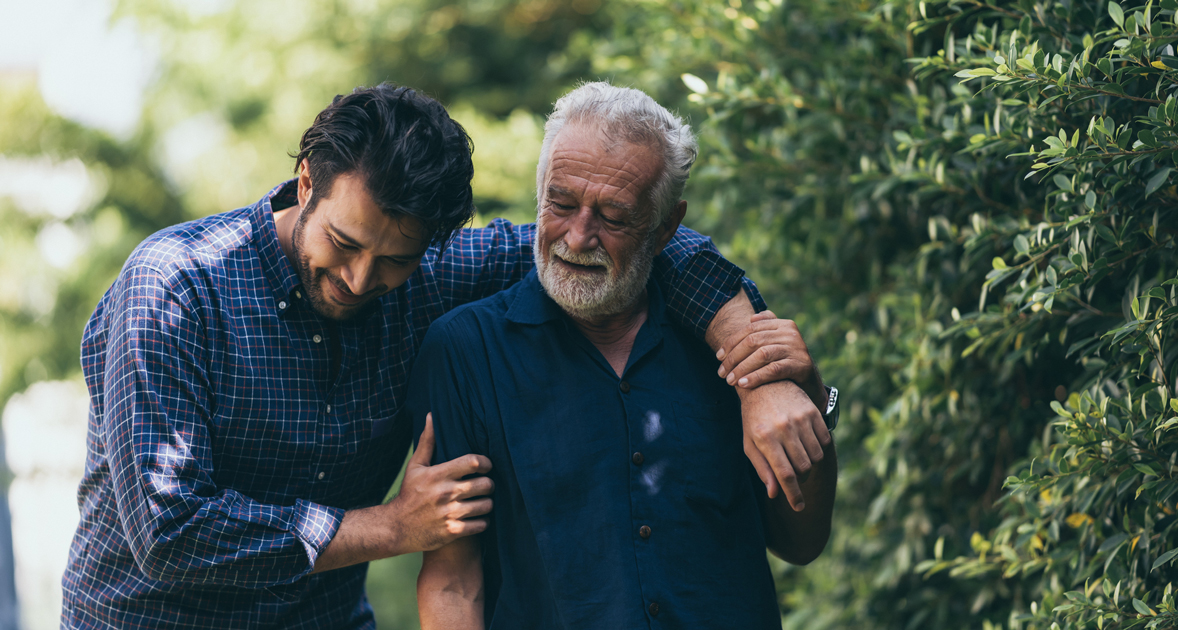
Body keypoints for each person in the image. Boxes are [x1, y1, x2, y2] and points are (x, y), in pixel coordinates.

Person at [61, 84, 829, 628]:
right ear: (306, 185)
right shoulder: (174, 290)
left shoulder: (430, 274)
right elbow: (169, 532)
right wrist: (394, 527)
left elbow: (649, 245)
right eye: (344, 242)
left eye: (393, 260)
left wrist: (755, 366)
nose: (361, 281)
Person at [408, 82, 838, 629]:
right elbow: (452, 579)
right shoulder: (466, 350)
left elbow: (801, 542)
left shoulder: (732, 337)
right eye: (560, 204)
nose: (579, 237)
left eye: (613, 217)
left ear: (666, 229)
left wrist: (811, 399)